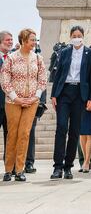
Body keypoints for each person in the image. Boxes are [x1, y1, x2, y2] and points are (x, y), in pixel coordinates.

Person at [50, 25, 91, 180]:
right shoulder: (64, 52)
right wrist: (53, 94)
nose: (77, 37)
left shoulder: (90, 54)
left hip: (80, 95)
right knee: (61, 128)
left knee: (75, 131)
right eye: (74, 35)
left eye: (79, 35)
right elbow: (57, 74)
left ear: (83, 36)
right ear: (70, 37)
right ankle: (57, 167)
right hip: (64, 93)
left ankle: (68, 166)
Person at [0, 28, 46, 182]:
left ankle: (20, 170)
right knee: (12, 134)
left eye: (35, 40)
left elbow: (43, 79)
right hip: (13, 102)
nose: (34, 42)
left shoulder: (38, 58)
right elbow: (5, 80)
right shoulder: (11, 58)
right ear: (24, 40)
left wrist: (36, 96)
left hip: (31, 102)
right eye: (32, 39)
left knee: (24, 134)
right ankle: (8, 170)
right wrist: (16, 97)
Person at [0, 31, 13, 160]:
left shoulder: (13, 58)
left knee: (10, 137)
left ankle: (10, 167)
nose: (10, 42)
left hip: (10, 104)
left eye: (11, 40)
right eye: (7, 40)